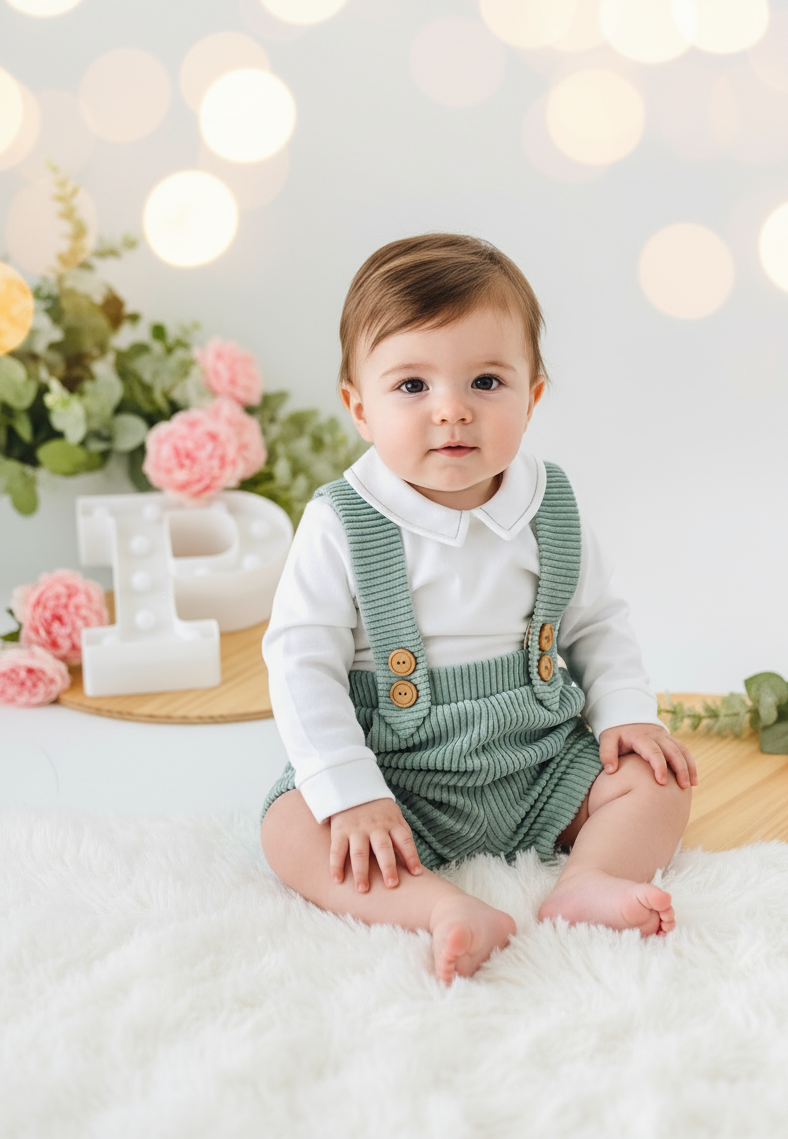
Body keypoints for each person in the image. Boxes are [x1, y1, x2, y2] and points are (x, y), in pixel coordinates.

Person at [260, 233, 697, 985]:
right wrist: (351, 791)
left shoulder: (550, 503)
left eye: (486, 383)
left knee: (660, 780)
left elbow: (596, 624)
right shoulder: (342, 522)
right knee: (292, 828)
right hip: (399, 777)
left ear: (531, 396)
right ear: (358, 407)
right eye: (412, 387)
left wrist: (628, 713)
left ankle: (588, 878)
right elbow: (301, 664)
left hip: (539, 758)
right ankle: (439, 907)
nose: (452, 412)